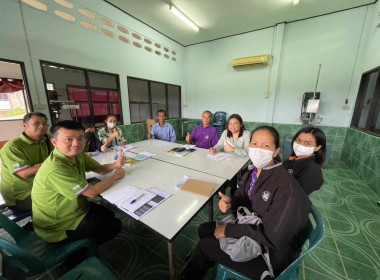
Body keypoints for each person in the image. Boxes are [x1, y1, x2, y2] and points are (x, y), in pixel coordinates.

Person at [181, 126, 311, 280]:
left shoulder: (285, 187)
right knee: (204, 229)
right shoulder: (255, 171)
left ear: (276, 151)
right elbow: (243, 197)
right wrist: (231, 201)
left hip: (270, 254)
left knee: (205, 246)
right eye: (254, 144)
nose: (258, 150)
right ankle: (207, 260)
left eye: (266, 146)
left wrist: (228, 230)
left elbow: (272, 236)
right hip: (254, 227)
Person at [32, 120, 126, 246]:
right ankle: (76, 252)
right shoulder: (55, 169)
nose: (76, 144)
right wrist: (115, 176)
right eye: (68, 139)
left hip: (76, 209)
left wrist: (116, 164)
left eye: (80, 138)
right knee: (114, 226)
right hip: (58, 226)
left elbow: (100, 169)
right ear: (54, 142)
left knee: (109, 214)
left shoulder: (78, 155)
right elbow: (91, 193)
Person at [0, 112, 53, 213]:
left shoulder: (48, 139)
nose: (41, 126)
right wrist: (50, 164)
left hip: (41, 186)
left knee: (74, 192)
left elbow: (65, 155)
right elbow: (24, 173)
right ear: (25, 126)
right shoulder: (13, 147)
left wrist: (40, 167)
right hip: (20, 196)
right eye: (36, 123)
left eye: (45, 123)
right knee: (64, 200)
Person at [283, 126, 326, 196]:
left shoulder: (312, 170)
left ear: (317, 147)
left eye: (308, 143)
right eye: (298, 140)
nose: (300, 145)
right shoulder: (294, 158)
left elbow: (295, 196)